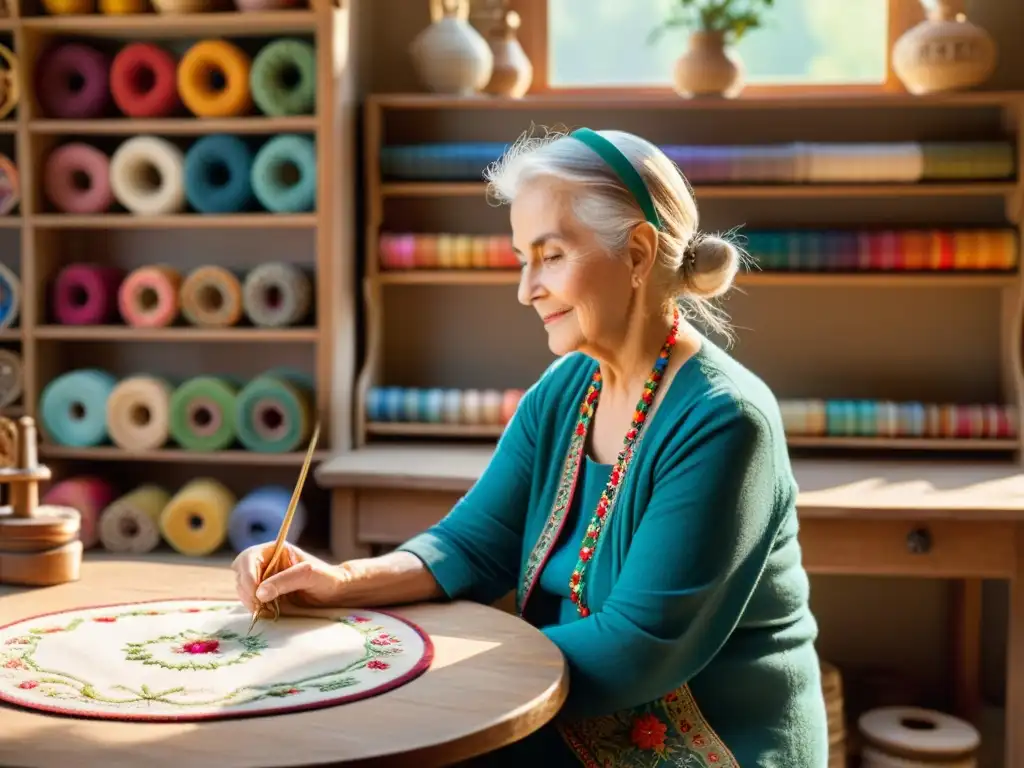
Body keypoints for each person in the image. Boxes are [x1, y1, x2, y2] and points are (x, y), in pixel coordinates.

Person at [232, 127, 829, 767]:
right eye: (524, 258)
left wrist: (420, 677)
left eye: (550, 256)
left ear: (636, 254)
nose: (527, 289)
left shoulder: (724, 421)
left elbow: (636, 646)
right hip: (564, 699)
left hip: (705, 741)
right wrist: (339, 581)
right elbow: (470, 544)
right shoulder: (569, 387)